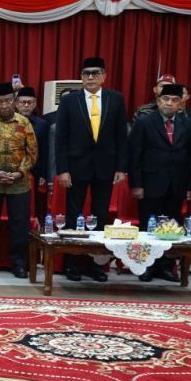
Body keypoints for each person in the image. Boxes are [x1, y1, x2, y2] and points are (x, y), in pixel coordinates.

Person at [55, 57, 127, 282]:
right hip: (76, 166)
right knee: (73, 215)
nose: (90, 77)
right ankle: (72, 264)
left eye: (95, 73)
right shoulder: (70, 100)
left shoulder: (116, 99)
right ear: (81, 77)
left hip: (105, 166)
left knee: (100, 215)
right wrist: (62, 169)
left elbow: (121, 136)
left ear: (104, 76)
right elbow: (61, 138)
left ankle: (95, 265)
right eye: (86, 73)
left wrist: (121, 167)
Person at [127, 83, 191, 282]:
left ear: (180, 103)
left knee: (171, 228)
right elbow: (134, 155)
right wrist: (136, 184)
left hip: (177, 184)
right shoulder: (144, 122)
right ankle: (145, 266)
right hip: (150, 184)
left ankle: (166, 268)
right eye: (166, 99)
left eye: (174, 100)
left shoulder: (188, 124)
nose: (169, 103)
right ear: (158, 101)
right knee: (147, 227)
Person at [0, 82, 37, 278]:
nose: (4, 105)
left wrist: (19, 172)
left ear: (14, 101)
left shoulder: (24, 122)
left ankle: (19, 264)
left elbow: (32, 152)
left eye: (7, 101)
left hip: (19, 183)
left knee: (19, 224)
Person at [15, 86, 49, 221]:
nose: (26, 105)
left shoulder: (42, 124)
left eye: (29, 102)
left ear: (34, 104)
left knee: (34, 204)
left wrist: (43, 174)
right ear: (16, 104)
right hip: (12, 168)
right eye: (23, 102)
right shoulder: (8, 122)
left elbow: (45, 150)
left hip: (35, 170)